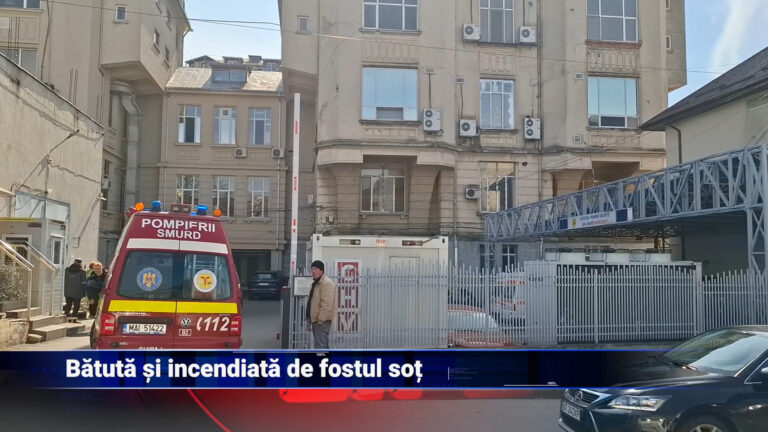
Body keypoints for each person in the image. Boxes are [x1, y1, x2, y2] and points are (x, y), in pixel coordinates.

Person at [306, 260, 337, 349]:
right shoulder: (316, 283)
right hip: (316, 320)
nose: (313, 271)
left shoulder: (326, 283)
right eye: (312, 269)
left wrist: (320, 319)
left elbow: (327, 304)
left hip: (321, 321)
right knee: (321, 345)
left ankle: (322, 358)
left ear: (321, 270)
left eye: (315, 269)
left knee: (320, 347)